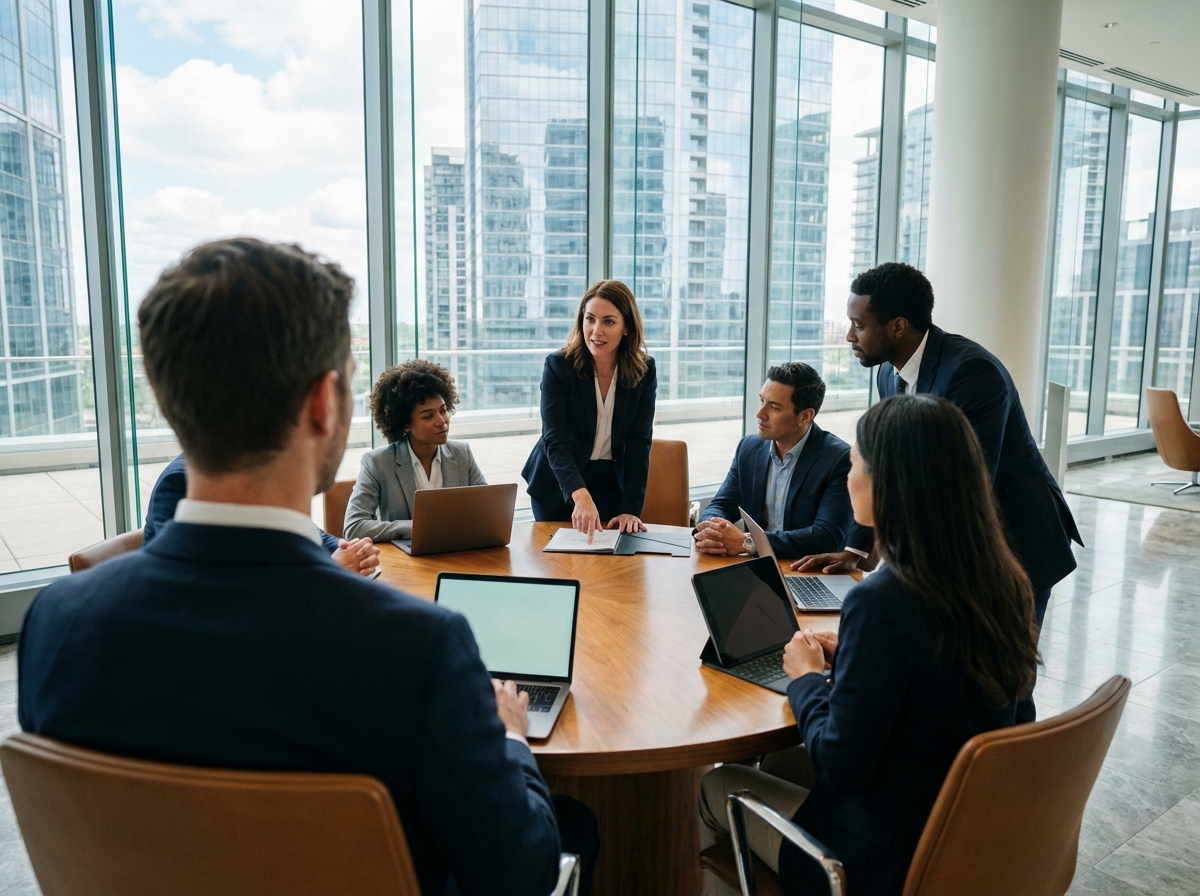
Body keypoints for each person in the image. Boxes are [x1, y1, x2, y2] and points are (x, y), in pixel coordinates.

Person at [18, 238, 597, 896]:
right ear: (324, 403)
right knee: (575, 825)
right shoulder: (421, 648)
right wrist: (511, 738)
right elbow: (521, 873)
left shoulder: (54, 624)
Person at [699, 394, 1040, 896]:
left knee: (717, 783)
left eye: (855, 465)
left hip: (876, 859)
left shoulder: (882, 600)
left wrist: (807, 676)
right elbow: (978, 694)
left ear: (889, 484)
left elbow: (842, 764)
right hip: (960, 828)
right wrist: (854, 655)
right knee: (778, 761)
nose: (849, 476)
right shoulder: (1004, 580)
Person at [795, 262, 1081, 628]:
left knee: (1005, 661)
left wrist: (902, 577)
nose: (850, 336)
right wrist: (856, 550)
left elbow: (965, 484)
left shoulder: (972, 373)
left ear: (898, 327)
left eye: (859, 325)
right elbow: (885, 466)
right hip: (956, 545)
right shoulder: (888, 372)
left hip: (1013, 544)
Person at [522, 280, 657, 541]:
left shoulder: (644, 370)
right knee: (557, 560)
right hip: (559, 482)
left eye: (609, 321)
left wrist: (630, 509)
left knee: (610, 559)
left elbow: (639, 443)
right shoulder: (558, 366)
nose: (596, 331)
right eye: (590, 319)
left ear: (627, 327)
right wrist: (580, 495)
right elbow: (555, 440)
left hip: (610, 485)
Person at [695, 361, 853, 559]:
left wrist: (747, 543)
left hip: (808, 570)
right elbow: (722, 504)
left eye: (774, 407)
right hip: (757, 568)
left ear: (805, 416)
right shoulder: (748, 448)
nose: (760, 414)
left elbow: (827, 537)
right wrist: (713, 528)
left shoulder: (840, 459)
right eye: (762, 401)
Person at [143, 452, 380, 577]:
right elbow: (199, 583)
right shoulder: (179, 482)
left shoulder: (249, 467)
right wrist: (330, 571)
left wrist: (346, 548)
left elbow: (291, 525)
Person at [343, 359, 486, 543]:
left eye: (443, 410)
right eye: (428, 416)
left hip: (455, 550)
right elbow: (354, 526)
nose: (441, 421)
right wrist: (416, 526)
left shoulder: (462, 453)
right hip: (406, 556)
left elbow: (487, 510)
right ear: (405, 424)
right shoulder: (378, 462)